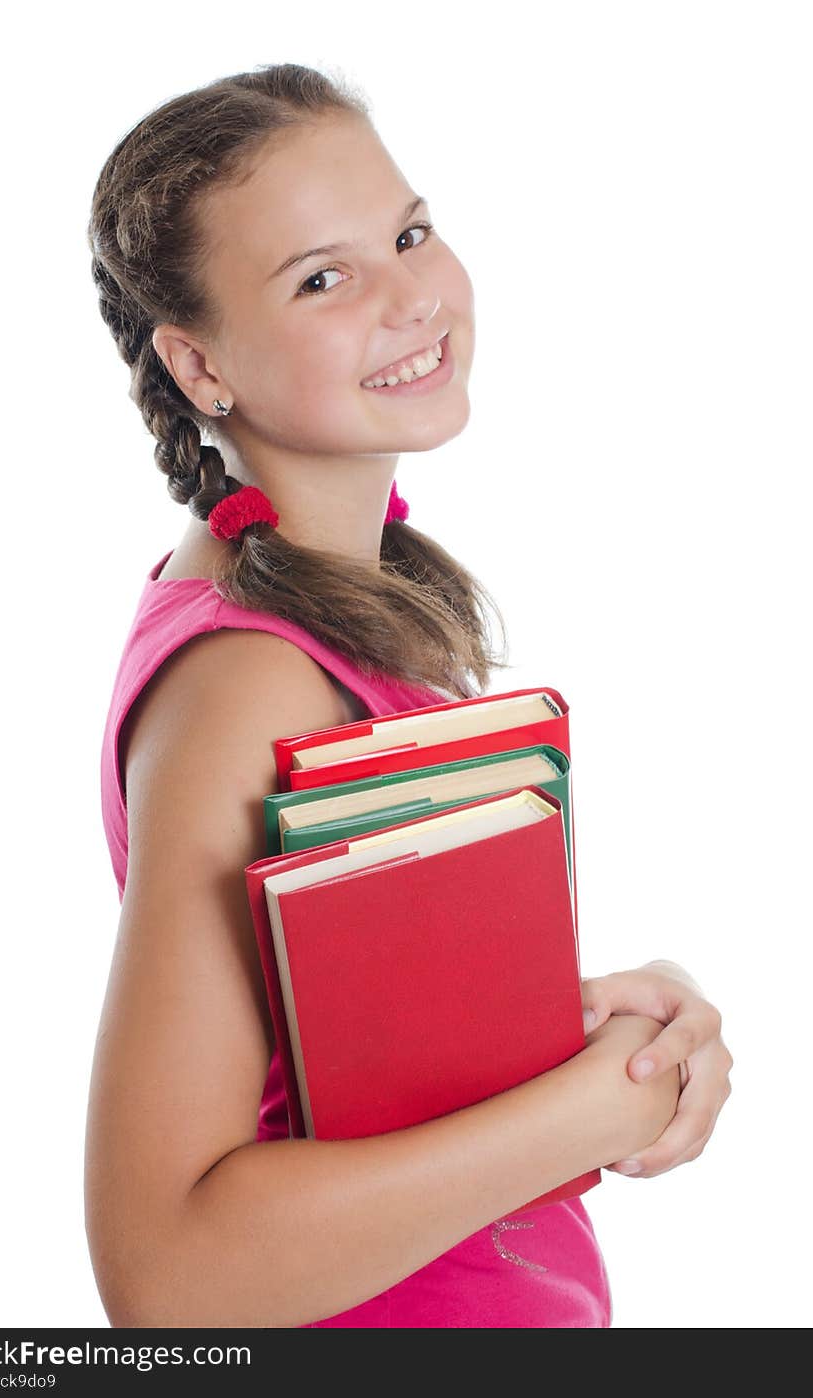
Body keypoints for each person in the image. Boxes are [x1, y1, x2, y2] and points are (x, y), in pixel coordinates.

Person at [84, 63, 733, 1329]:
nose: (411, 297)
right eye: (322, 278)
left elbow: (345, 1057)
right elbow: (168, 1277)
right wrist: (582, 1112)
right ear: (198, 363)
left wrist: (612, 1037)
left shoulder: (338, 615)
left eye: (408, 233)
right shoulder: (246, 680)